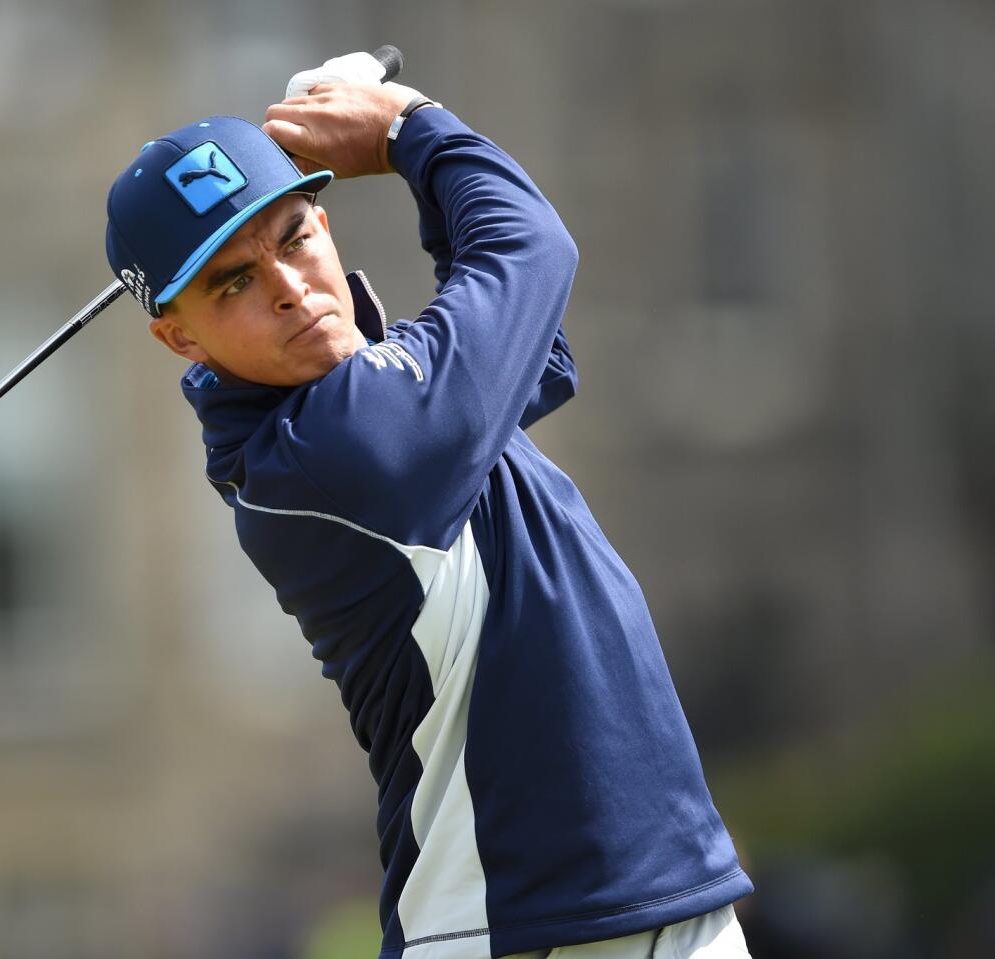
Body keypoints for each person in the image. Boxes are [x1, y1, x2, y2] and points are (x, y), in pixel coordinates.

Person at [104, 54, 755, 959]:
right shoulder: (334, 456)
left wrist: (405, 143)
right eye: (232, 283)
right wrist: (405, 123)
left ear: (326, 228)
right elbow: (529, 248)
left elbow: (526, 333)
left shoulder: (381, 405)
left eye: (292, 238)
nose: (288, 287)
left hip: (635, 912)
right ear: (180, 338)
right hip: (521, 932)